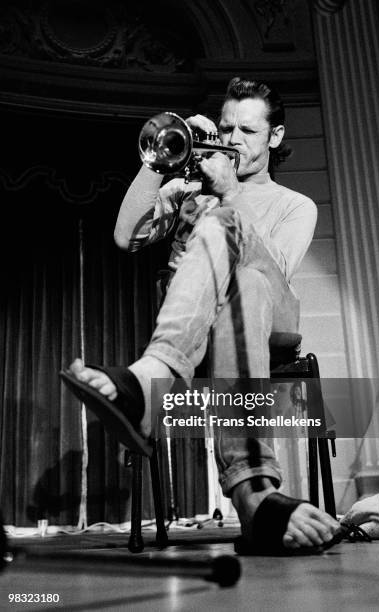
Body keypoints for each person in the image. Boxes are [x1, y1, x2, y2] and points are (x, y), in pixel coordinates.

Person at [61, 77, 341, 554]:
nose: (232, 139)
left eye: (248, 131)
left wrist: (229, 199)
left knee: (245, 264)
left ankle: (152, 377)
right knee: (243, 286)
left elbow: (278, 271)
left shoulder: (296, 205)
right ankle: (255, 499)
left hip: (275, 319)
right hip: (211, 320)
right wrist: (162, 171)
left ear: (274, 137)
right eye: (226, 127)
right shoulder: (191, 190)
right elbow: (125, 236)